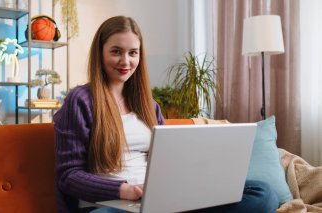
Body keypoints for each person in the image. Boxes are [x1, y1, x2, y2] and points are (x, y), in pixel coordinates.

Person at [53, 16, 279, 213]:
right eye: (116, 52)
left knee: (263, 194)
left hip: (157, 201)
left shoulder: (149, 105)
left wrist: (190, 184)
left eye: (133, 53)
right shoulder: (81, 100)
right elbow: (69, 175)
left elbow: (167, 162)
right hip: (108, 204)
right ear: (100, 53)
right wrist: (125, 190)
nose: (126, 61)